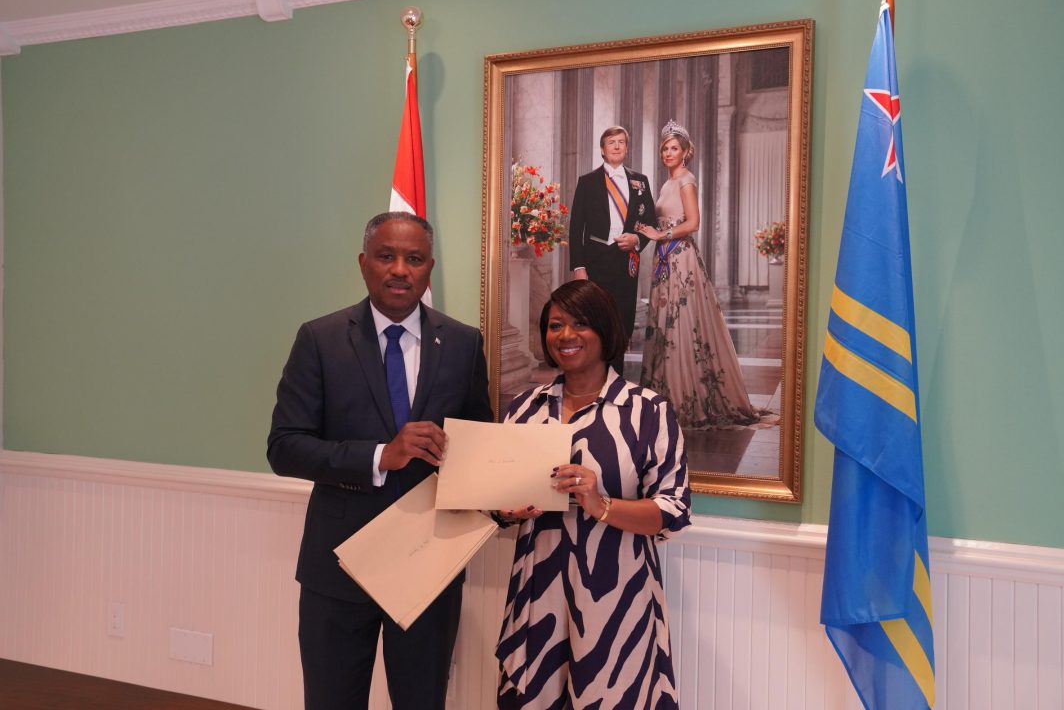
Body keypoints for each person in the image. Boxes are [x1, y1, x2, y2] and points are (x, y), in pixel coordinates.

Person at [267, 212, 494, 710]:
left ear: (429, 268)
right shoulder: (320, 339)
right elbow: (284, 447)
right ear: (363, 263)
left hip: (428, 570)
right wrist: (380, 456)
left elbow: (478, 447)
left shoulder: (463, 344)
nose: (399, 270)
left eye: (414, 259)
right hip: (338, 568)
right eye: (386, 256)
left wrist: (506, 493)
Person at [494, 280, 690, 710]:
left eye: (581, 323)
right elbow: (498, 499)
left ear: (605, 330)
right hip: (537, 593)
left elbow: (673, 511)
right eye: (555, 325)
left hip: (617, 597)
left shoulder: (648, 411)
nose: (566, 335)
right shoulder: (524, 408)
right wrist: (506, 510)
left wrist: (601, 505)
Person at [637, 120, 761, 428]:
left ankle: (685, 397)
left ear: (685, 152)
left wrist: (662, 235)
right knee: (665, 321)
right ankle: (666, 392)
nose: (668, 153)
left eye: (673, 148)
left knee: (682, 322)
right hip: (664, 259)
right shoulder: (666, 183)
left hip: (680, 259)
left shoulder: (686, 180)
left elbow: (693, 223)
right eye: (664, 148)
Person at [568, 125, 658, 374]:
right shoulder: (587, 182)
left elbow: (651, 222)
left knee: (622, 321)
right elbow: (576, 229)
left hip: (626, 261)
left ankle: (615, 377)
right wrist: (578, 267)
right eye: (611, 142)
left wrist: (637, 239)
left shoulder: (640, 182)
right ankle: (593, 375)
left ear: (626, 148)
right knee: (595, 320)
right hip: (595, 261)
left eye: (621, 142)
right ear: (602, 150)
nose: (617, 146)